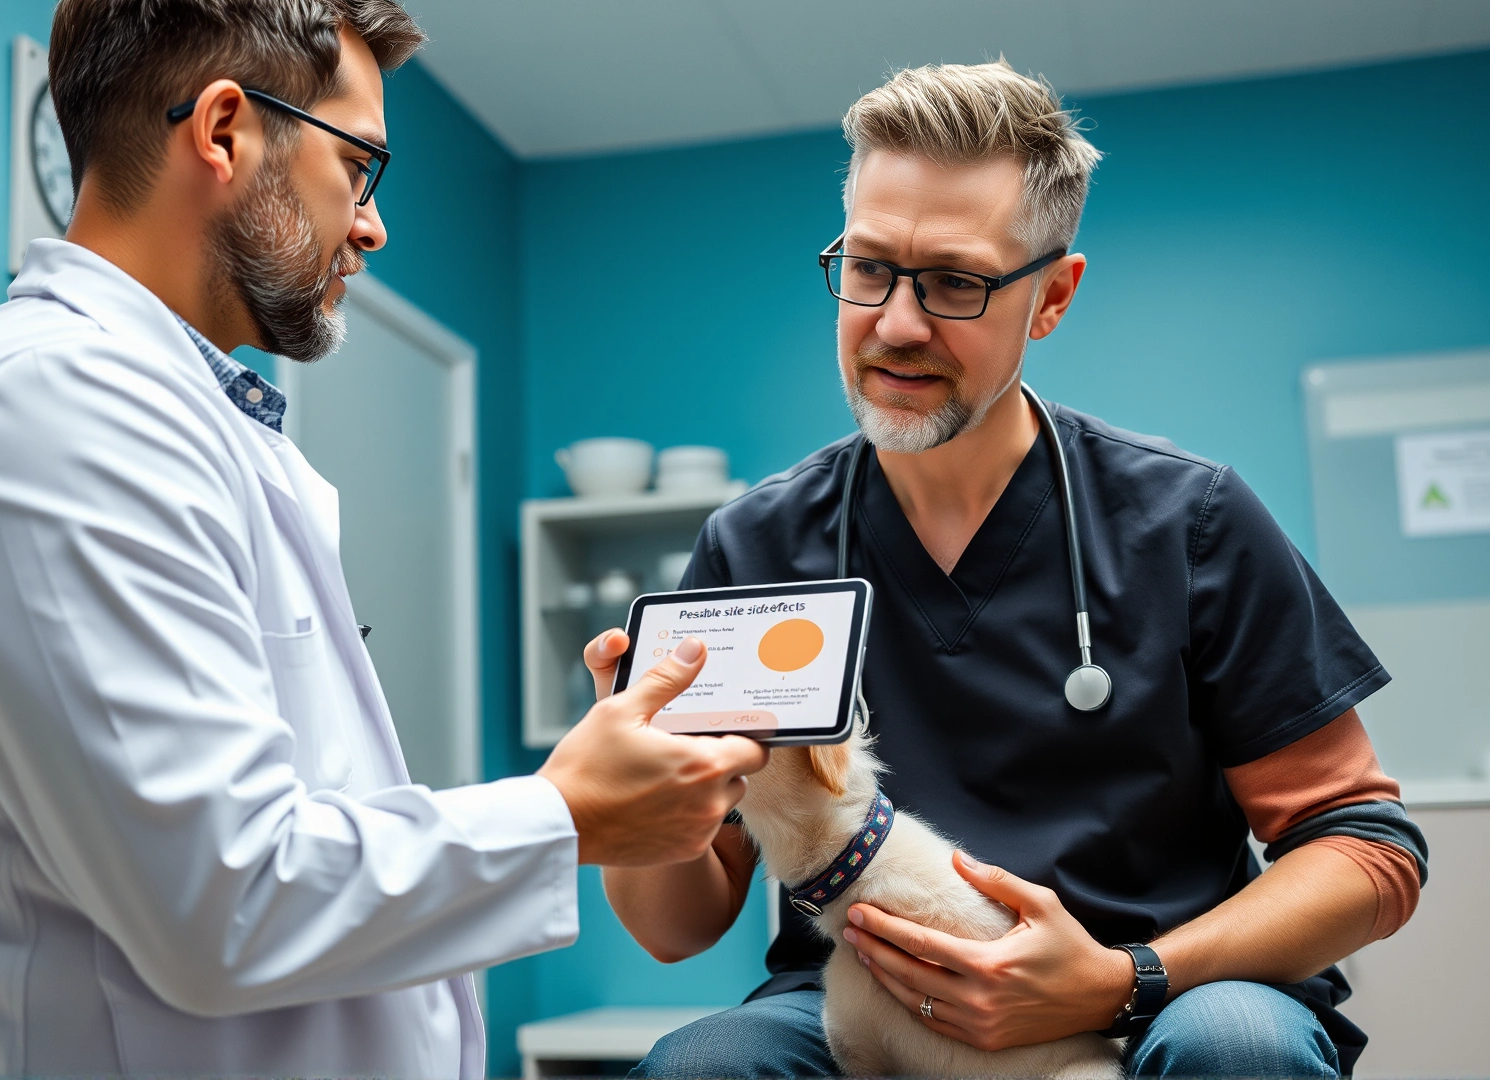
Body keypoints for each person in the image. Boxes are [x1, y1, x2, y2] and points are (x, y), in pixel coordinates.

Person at [0, 2, 766, 1075]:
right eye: (358, 166)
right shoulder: (52, 414)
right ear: (224, 131)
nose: (372, 226)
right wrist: (565, 814)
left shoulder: (181, 422)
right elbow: (219, 899)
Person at [596, 61, 1427, 1079]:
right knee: (704, 1068)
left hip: (1168, 993)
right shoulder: (757, 548)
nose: (897, 324)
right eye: (868, 269)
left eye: (955, 281)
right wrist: (633, 779)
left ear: (1052, 299)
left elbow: (1367, 850)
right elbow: (678, 927)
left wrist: (1130, 977)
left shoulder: (1190, 519)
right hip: (859, 993)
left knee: (1240, 1048)